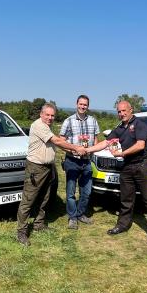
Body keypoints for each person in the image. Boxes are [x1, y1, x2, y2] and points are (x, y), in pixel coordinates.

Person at [86, 101, 147, 245]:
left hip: (142, 166)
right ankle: (123, 225)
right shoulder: (119, 128)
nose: (121, 114)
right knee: (126, 199)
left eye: (123, 111)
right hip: (127, 167)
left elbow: (140, 145)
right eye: (119, 112)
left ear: (130, 110)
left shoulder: (140, 124)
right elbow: (106, 143)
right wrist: (86, 150)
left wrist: (122, 154)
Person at [16, 103, 86, 246]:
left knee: (45, 197)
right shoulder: (38, 125)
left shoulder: (47, 127)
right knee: (28, 200)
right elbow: (56, 140)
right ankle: (21, 232)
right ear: (41, 114)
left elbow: (58, 143)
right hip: (36, 168)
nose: (50, 117)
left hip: (48, 167)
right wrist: (76, 148)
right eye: (47, 114)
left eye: (52, 115)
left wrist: (72, 150)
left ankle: (39, 224)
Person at [59, 94, 100, 229]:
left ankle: (80, 213)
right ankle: (72, 217)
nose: (83, 106)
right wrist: (73, 150)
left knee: (86, 191)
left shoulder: (93, 121)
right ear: (76, 104)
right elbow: (61, 141)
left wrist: (92, 151)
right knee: (71, 191)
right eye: (81, 104)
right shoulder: (68, 121)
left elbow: (95, 139)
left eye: (85, 105)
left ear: (88, 106)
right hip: (72, 160)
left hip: (87, 161)